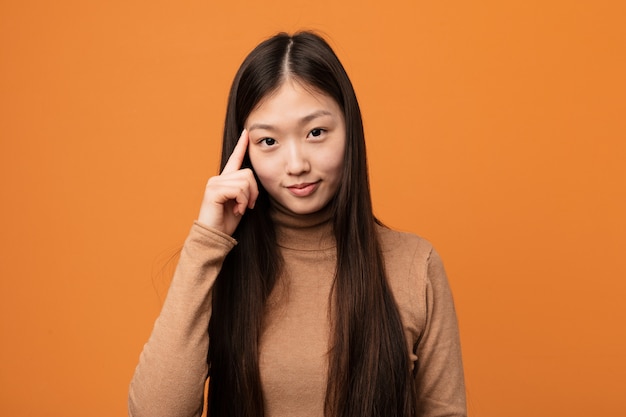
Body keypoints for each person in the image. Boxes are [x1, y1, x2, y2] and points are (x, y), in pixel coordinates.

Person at [128, 31, 466, 417]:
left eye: (316, 133)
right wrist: (207, 242)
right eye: (268, 142)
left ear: (349, 129)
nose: (296, 164)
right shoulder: (217, 265)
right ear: (244, 149)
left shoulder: (414, 265)